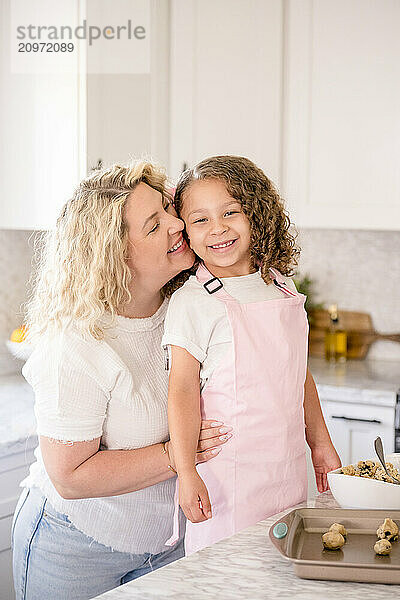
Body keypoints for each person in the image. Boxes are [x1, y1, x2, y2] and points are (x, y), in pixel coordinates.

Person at [11, 160, 231, 600]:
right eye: (154, 225)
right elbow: (70, 477)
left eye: (168, 208)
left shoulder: (188, 306)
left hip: (167, 543)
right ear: (113, 255)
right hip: (74, 549)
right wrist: (178, 454)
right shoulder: (76, 341)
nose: (177, 224)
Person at [162, 155, 341, 555]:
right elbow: (182, 391)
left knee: (280, 572)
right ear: (185, 233)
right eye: (200, 219)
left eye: (231, 212)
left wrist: (321, 442)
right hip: (228, 478)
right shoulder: (192, 302)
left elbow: (298, 374)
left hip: (287, 469)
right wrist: (186, 470)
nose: (218, 228)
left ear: (257, 215)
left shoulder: (281, 285)